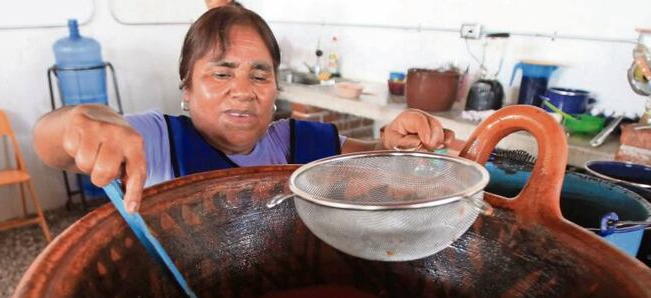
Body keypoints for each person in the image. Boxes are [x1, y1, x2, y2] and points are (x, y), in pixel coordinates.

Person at [33, 4, 455, 213]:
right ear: (187, 86)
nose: (243, 90)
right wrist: (78, 122)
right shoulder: (156, 141)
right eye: (221, 73)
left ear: (275, 89)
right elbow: (49, 145)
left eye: (259, 75)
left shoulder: (297, 141)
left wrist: (395, 145)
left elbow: (373, 160)